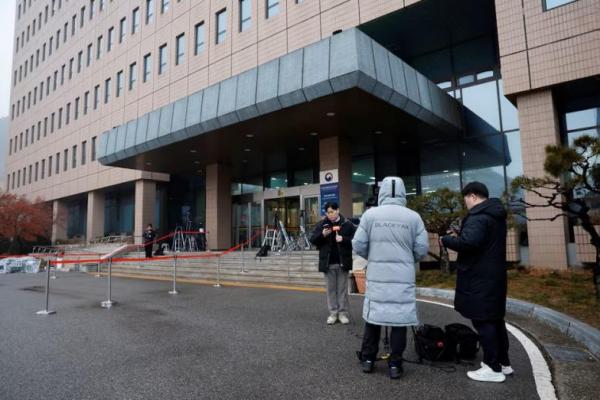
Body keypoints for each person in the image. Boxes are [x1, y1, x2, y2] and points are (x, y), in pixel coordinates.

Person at [352, 177, 429, 379]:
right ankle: (395, 364)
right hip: (403, 277)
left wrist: (374, 257)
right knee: (399, 319)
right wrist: (405, 259)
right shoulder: (414, 217)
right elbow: (421, 249)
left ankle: (368, 360)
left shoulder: (370, 215)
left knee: (373, 318)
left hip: (377, 275)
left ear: (382, 192)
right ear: (403, 192)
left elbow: (358, 244)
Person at [441, 182, 512, 383]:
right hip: (494, 276)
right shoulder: (496, 215)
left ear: (472, 196)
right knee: (495, 319)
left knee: (483, 320)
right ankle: (503, 362)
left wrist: (446, 240)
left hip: (479, 277)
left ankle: (492, 367)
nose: (465, 203)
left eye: (465, 198)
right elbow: (479, 242)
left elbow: (468, 243)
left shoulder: (478, 217)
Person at [310, 202, 357, 325]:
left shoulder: (347, 224)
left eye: (332, 211)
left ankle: (342, 314)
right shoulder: (322, 224)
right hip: (328, 263)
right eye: (328, 212)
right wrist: (323, 235)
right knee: (331, 290)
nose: (330, 214)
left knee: (342, 290)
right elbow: (313, 240)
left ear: (337, 210)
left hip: (343, 262)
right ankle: (333, 313)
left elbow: (357, 240)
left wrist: (344, 239)